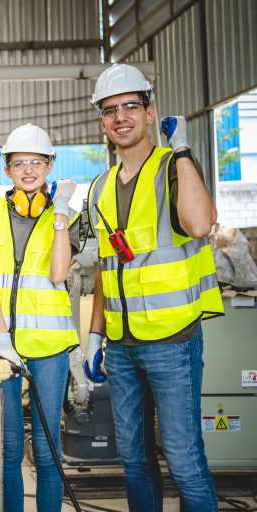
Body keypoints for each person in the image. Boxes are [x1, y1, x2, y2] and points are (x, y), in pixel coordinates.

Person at [83, 63, 224, 511]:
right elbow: (107, 268)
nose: (120, 117)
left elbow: (200, 224)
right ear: (102, 121)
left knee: (184, 461)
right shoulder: (100, 188)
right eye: (110, 110)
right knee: (134, 461)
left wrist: (181, 149)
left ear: (149, 113)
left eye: (130, 106)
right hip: (121, 346)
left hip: (172, 341)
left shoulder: (173, 166)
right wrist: (95, 335)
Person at [0, 123, 80, 512]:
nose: (28, 170)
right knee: (9, 448)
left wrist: (61, 212)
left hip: (49, 348)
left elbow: (58, 273)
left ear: (50, 165)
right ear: (7, 169)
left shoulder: (68, 216)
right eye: (19, 163)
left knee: (48, 450)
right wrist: (2, 339)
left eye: (36, 162)